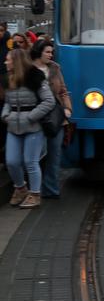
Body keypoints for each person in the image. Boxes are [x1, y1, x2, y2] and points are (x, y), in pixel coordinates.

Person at [2, 49, 54, 209]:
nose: (5, 62)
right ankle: (20, 188)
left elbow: (49, 101)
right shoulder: (9, 79)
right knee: (11, 161)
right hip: (13, 125)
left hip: (33, 126)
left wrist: (31, 116)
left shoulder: (35, 77)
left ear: (16, 61)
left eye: (8, 59)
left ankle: (35, 194)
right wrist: (5, 115)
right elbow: (8, 102)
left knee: (30, 161)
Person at [29, 40, 70, 199]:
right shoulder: (27, 69)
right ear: (38, 52)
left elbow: (63, 91)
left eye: (51, 52)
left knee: (54, 153)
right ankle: (34, 189)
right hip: (35, 117)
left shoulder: (54, 68)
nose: (50, 55)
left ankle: (51, 189)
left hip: (55, 118)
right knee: (36, 156)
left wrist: (67, 108)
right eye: (47, 52)